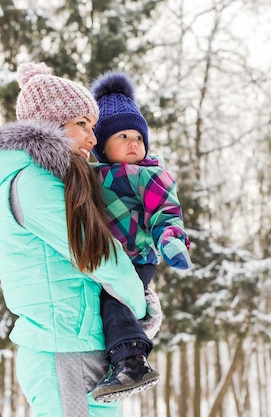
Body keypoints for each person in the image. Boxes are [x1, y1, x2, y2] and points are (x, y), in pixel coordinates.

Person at [0, 62, 148, 417]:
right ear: (49, 124)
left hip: (85, 348)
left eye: (92, 127)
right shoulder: (34, 182)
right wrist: (140, 307)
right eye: (82, 125)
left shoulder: (53, 180)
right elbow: (96, 254)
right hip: (64, 351)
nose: (93, 139)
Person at [88, 72, 192, 403]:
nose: (134, 142)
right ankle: (117, 361)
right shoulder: (92, 176)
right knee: (100, 308)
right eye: (123, 135)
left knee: (115, 303)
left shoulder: (149, 176)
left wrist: (171, 240)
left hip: (137, 257)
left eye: (138, 135)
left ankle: (133, 364)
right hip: (104, 258)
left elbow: (165, 211)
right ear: (102, 145)